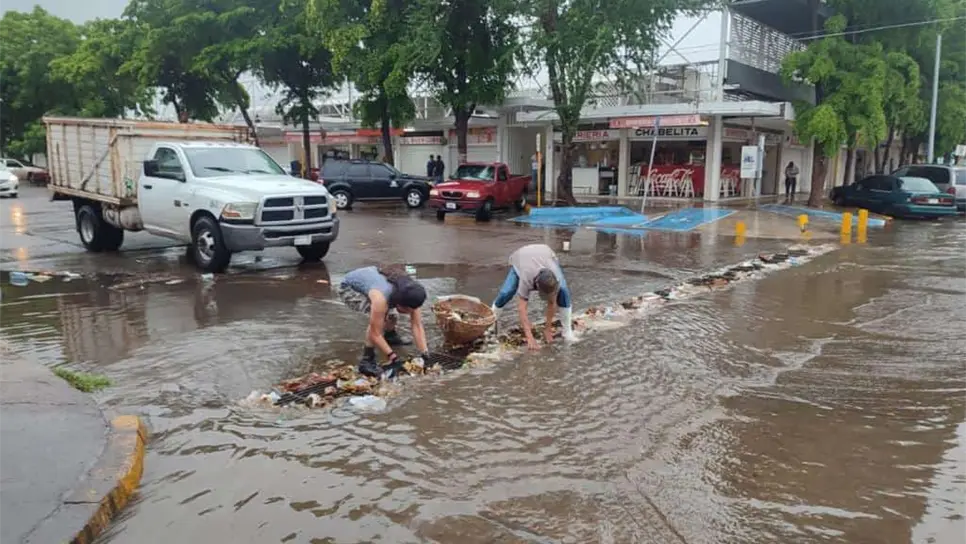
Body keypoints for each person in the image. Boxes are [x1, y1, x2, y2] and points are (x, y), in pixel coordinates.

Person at [339, 265, 430, 377]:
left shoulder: (412, 294)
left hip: (374, 281)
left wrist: (424, 353)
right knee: (380, 321)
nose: (409, 313)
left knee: (391, 315)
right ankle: (367, 359)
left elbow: (417, 325)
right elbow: (375, 332)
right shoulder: (380, 299)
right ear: (399, 302)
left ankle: (390, 336)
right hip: (349, 288)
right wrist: (392, 356)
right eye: (407, 310)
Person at [491, 244, 575, 350]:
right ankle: (492, 319)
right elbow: (522, 309)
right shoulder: (526, 278)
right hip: (521, 257)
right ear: (536, 286)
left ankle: (567, 332)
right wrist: (529, 337)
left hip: (546, 254)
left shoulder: (555, 278)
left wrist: (548, 329)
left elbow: (552, 303)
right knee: (506, 292)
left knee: (563, 292)